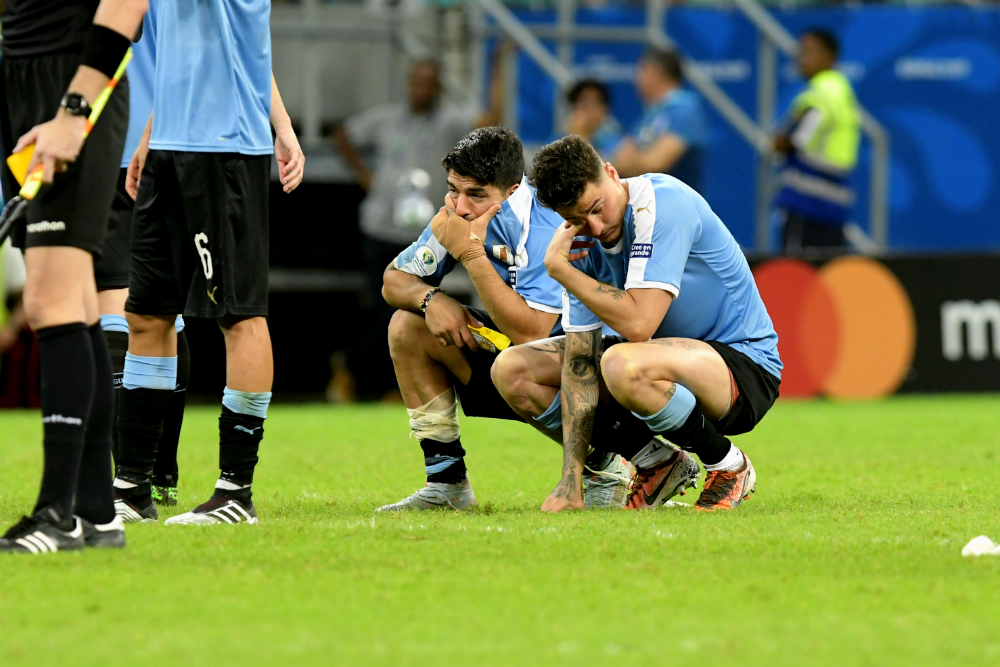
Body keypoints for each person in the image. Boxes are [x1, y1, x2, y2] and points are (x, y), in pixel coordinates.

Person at [379, 126, 665, 512]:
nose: (460, 206)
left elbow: (533, 332)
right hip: (522, 363)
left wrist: (470, 255)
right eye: (453, 189)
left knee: (515, 366)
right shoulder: (458, 215)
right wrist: (429, 298)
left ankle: (608, 462)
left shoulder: (548, 221)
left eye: (476, 195)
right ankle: (446, 484)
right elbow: (393, 280)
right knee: (407, 326)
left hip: (595, 367)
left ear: (512, 191)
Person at [496, 135, 781, 513]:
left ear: (613, 174)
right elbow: (579, 365)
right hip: (655, 364)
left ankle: (728, 465)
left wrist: (560, 270)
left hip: (742, 368)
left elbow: (639, 324)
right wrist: (571, 479)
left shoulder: (662, 204)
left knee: (622, 363)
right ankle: (657, 463)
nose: (595, 227)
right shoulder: (579, 246)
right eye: (577, 219)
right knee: (513, 370)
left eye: (597, 208)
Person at [111, 0, 304, 526]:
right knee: (147, 315)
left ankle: (235, 492)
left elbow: (242, 42)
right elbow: (198, 51)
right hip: (170, 148)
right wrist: (153, 131)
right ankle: (130, 489)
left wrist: (278, 125)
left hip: (224, 152)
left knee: (238, 315)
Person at [0, 0, 147, 553]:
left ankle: (56, 514)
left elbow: (129, 4)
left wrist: (72, 109)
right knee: (77, 305)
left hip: (73, 87)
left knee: (49, 300)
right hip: (27, 79)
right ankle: (96, 512)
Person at [330, 60, 502, 402]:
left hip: (424, 231)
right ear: (409, 83)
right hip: (380, 226)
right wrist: (365, 176)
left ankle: (390, 382)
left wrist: (497, 67)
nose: (421, 88)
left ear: (438, 86)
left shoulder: (450, 122)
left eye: (429, 82)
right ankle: (353, 368)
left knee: (407, 312)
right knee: (383, 308)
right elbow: (341, 134)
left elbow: (488, 122)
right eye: (417, 81)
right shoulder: (387, 119)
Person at [98, 4, 189, 509]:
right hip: (177, 135)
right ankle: (158, 474)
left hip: (111, 136)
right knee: (163, 312)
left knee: (116, 306)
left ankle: (127, 476)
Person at [774, 28, 860, 253]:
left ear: (831, 57)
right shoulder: (841, 88)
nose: (801, 58)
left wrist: (780, 141)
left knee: (796, 277)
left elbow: (793, 140)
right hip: (834, 201)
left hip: (807, 201)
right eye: (800, 51)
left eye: (810, 51)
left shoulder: (821, 93)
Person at [611, 49, 707, 191]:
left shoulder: (685, 112)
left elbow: (655, 165)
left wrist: (631, 162)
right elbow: (618, 160)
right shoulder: (651, 114)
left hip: (679, 208)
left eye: (642, 71)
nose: (637, 79)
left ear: (656, 73)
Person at [562, 79, 622, 160]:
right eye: (584, 104)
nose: (589, 110)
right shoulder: (558, 141)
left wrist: (580, 135)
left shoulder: (617, 144)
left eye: (595, 103)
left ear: (605, 109)